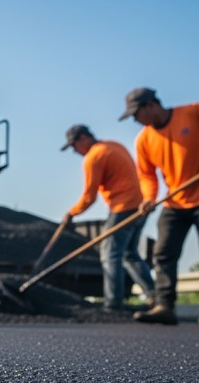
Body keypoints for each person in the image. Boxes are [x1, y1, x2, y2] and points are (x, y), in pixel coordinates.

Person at [119, 87, 199, 326]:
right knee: (163, 253)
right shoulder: (143, 139)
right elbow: (147, 175)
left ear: (151, 105)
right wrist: (149, 197)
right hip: (174, 201)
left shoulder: (192, 113)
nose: (135, 120)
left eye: (136, 114)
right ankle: (164, 306)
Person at [60, 124, 155, 311]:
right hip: (139, 205)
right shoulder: (114, 145)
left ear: (83, 138)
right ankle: (156, 297)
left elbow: (89, 197)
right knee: (129, 253)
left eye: (74, 146)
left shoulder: (94, 157)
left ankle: (113, 303)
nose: (75, 151)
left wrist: (71, 213)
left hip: (123, 207)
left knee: (110, 253)